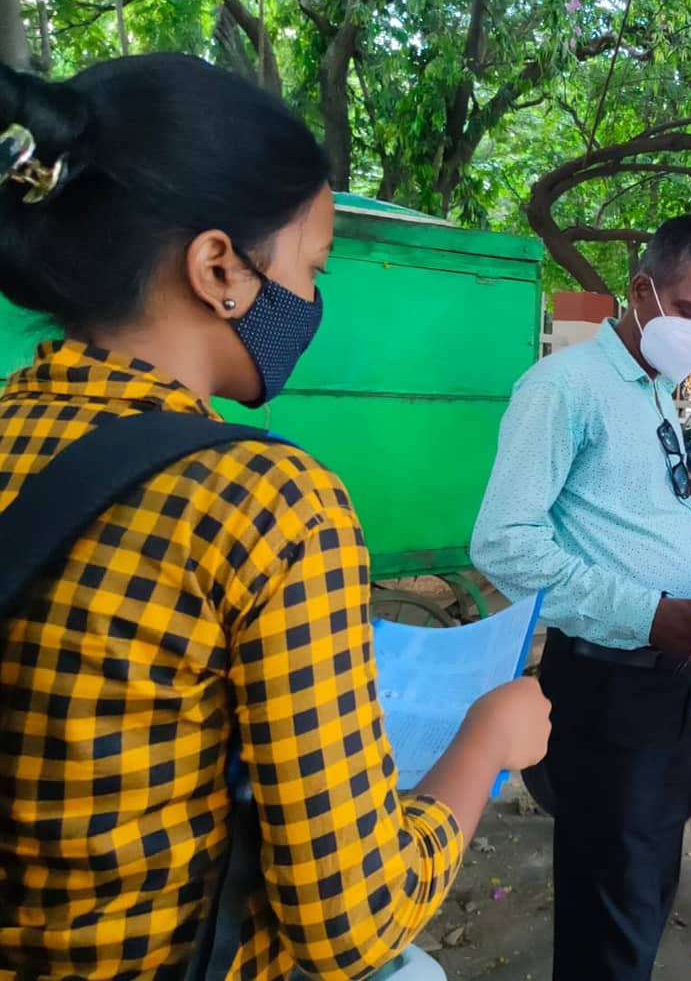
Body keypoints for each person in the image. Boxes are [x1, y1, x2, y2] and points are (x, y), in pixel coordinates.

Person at [0, 53, 550, 980]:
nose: (312, 302)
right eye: (312, 266)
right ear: (219, 266)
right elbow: (350, 926)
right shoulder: (269, 503)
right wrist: (488, 738)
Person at [471, 215, 691, 981]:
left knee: (643, 880)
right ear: (642, 291)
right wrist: (645, 613)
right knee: (614, 891)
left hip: (668, 686)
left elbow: (673, 522)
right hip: (607, 682)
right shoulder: (563, 389)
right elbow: (504, 542)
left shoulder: (656, 393)